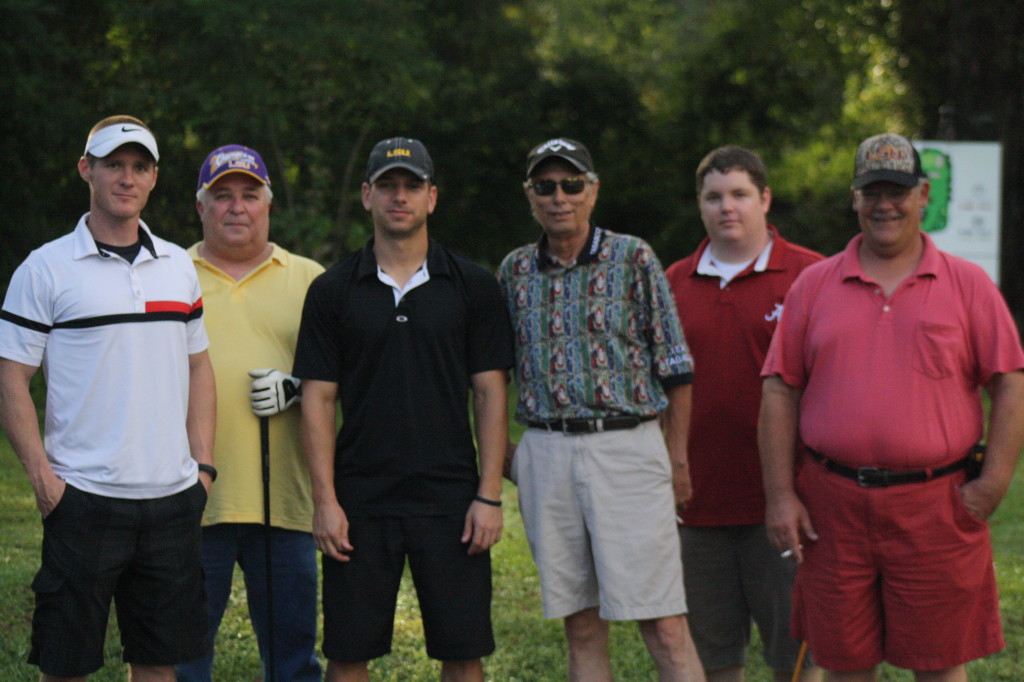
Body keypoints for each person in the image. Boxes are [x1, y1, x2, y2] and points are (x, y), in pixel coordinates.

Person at [759, 133, 1024, 682]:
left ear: (922, 195)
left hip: (936, 505)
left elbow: (1010, 383)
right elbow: (780, 390)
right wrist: (781, 495)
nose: (885, 205)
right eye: (872, 192)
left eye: (898, 192)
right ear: (854, 199)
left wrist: (992, 484)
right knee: (845, 663)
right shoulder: (814, 285)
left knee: (939, 664)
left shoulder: (967, 284)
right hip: (832, 507)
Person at [0, 115, 216, 682]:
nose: (127, 177)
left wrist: (203, 469)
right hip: (83, 501)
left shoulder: (178, 266)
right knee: (65, 666)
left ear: (154, 178)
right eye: (114, 164)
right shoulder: (45, 268)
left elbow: (199, 366)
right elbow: (11, 378)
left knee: (158, 665)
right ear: (86, 170)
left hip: (172, 501)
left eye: (140, 166)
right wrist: (44, 482)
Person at [293, 137, 514, 682]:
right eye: (387, 186)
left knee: (463, 651)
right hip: (360, 499)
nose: (400, 196)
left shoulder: (473, 286)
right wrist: (325, 501)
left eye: (412, 186)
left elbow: (490, 393)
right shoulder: (332, 290)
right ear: (366, 195)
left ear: (431, 197)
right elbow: (318, 399)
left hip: (452, 498)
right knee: (348, 652)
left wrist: (489, 495)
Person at [498, 137, 705, 682]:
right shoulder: (514, 271)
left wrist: (677, 459)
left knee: (664, 621)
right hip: (547, 452)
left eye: (571, 185)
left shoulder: (633, 258)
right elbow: (491, 375)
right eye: (546, 186)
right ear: (529, 195)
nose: (559, 198)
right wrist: (503, 453)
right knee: (582, 625)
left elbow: (676, 366)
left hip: (627, 447)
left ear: (592, 191)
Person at [664, 146, 823, 682]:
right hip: (696, 506)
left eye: (739, 194)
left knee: (796, 661)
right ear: (699, 204)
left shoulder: (811, 275)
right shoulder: (672, 282)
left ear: (765, 199)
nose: (726, 207)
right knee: (711, 661)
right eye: (713, 197)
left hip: (786, 505)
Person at [176, 145, 324, 682]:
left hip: (285, 503)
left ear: (268, 205)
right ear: (201, 207)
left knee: (293, 664)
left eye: (249, 195)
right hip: (187, 500)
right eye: (222, 196)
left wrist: (299, 387)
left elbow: (350, 377)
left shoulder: (311, 279)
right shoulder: (168, 272)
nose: (236, 207)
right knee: (180, 662)